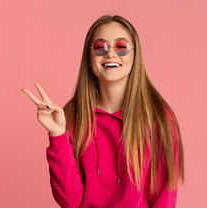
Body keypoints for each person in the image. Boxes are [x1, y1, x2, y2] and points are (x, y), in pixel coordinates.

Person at [21, 15, 185, 208]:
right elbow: (70, 202)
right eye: (100, 47)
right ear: (90, 59)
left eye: (121, 47)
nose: (110, 54)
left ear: (135, 56)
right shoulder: (72, 116)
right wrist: (58, 135)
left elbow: (164, 199)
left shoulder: (158, 117)